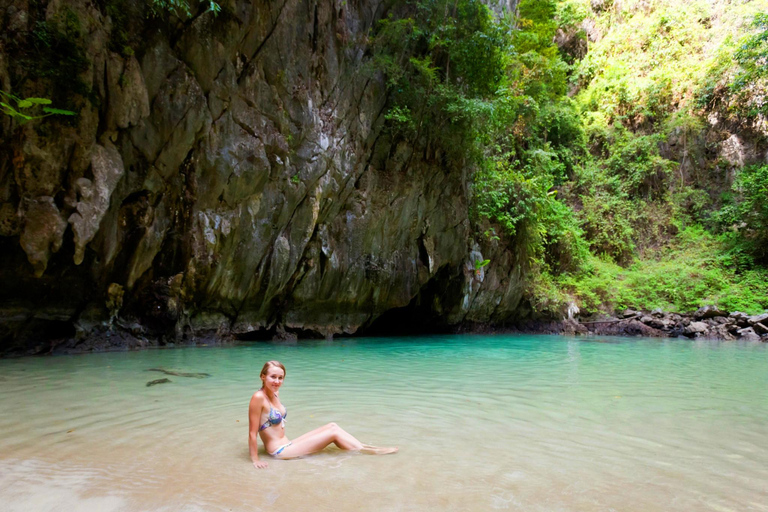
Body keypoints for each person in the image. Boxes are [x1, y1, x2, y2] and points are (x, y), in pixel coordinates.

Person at [248, 360, 398, 469]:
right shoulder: (258, 398)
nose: (277, 381)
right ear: (262, 376)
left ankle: (365, 447)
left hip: (288, 443)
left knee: (332, 425)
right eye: (273, 377)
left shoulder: (275, 393)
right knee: (333, 433)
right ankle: (368, 451)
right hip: (279, 451)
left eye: (280, 378)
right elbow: (252, 433)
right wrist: (255, 459)